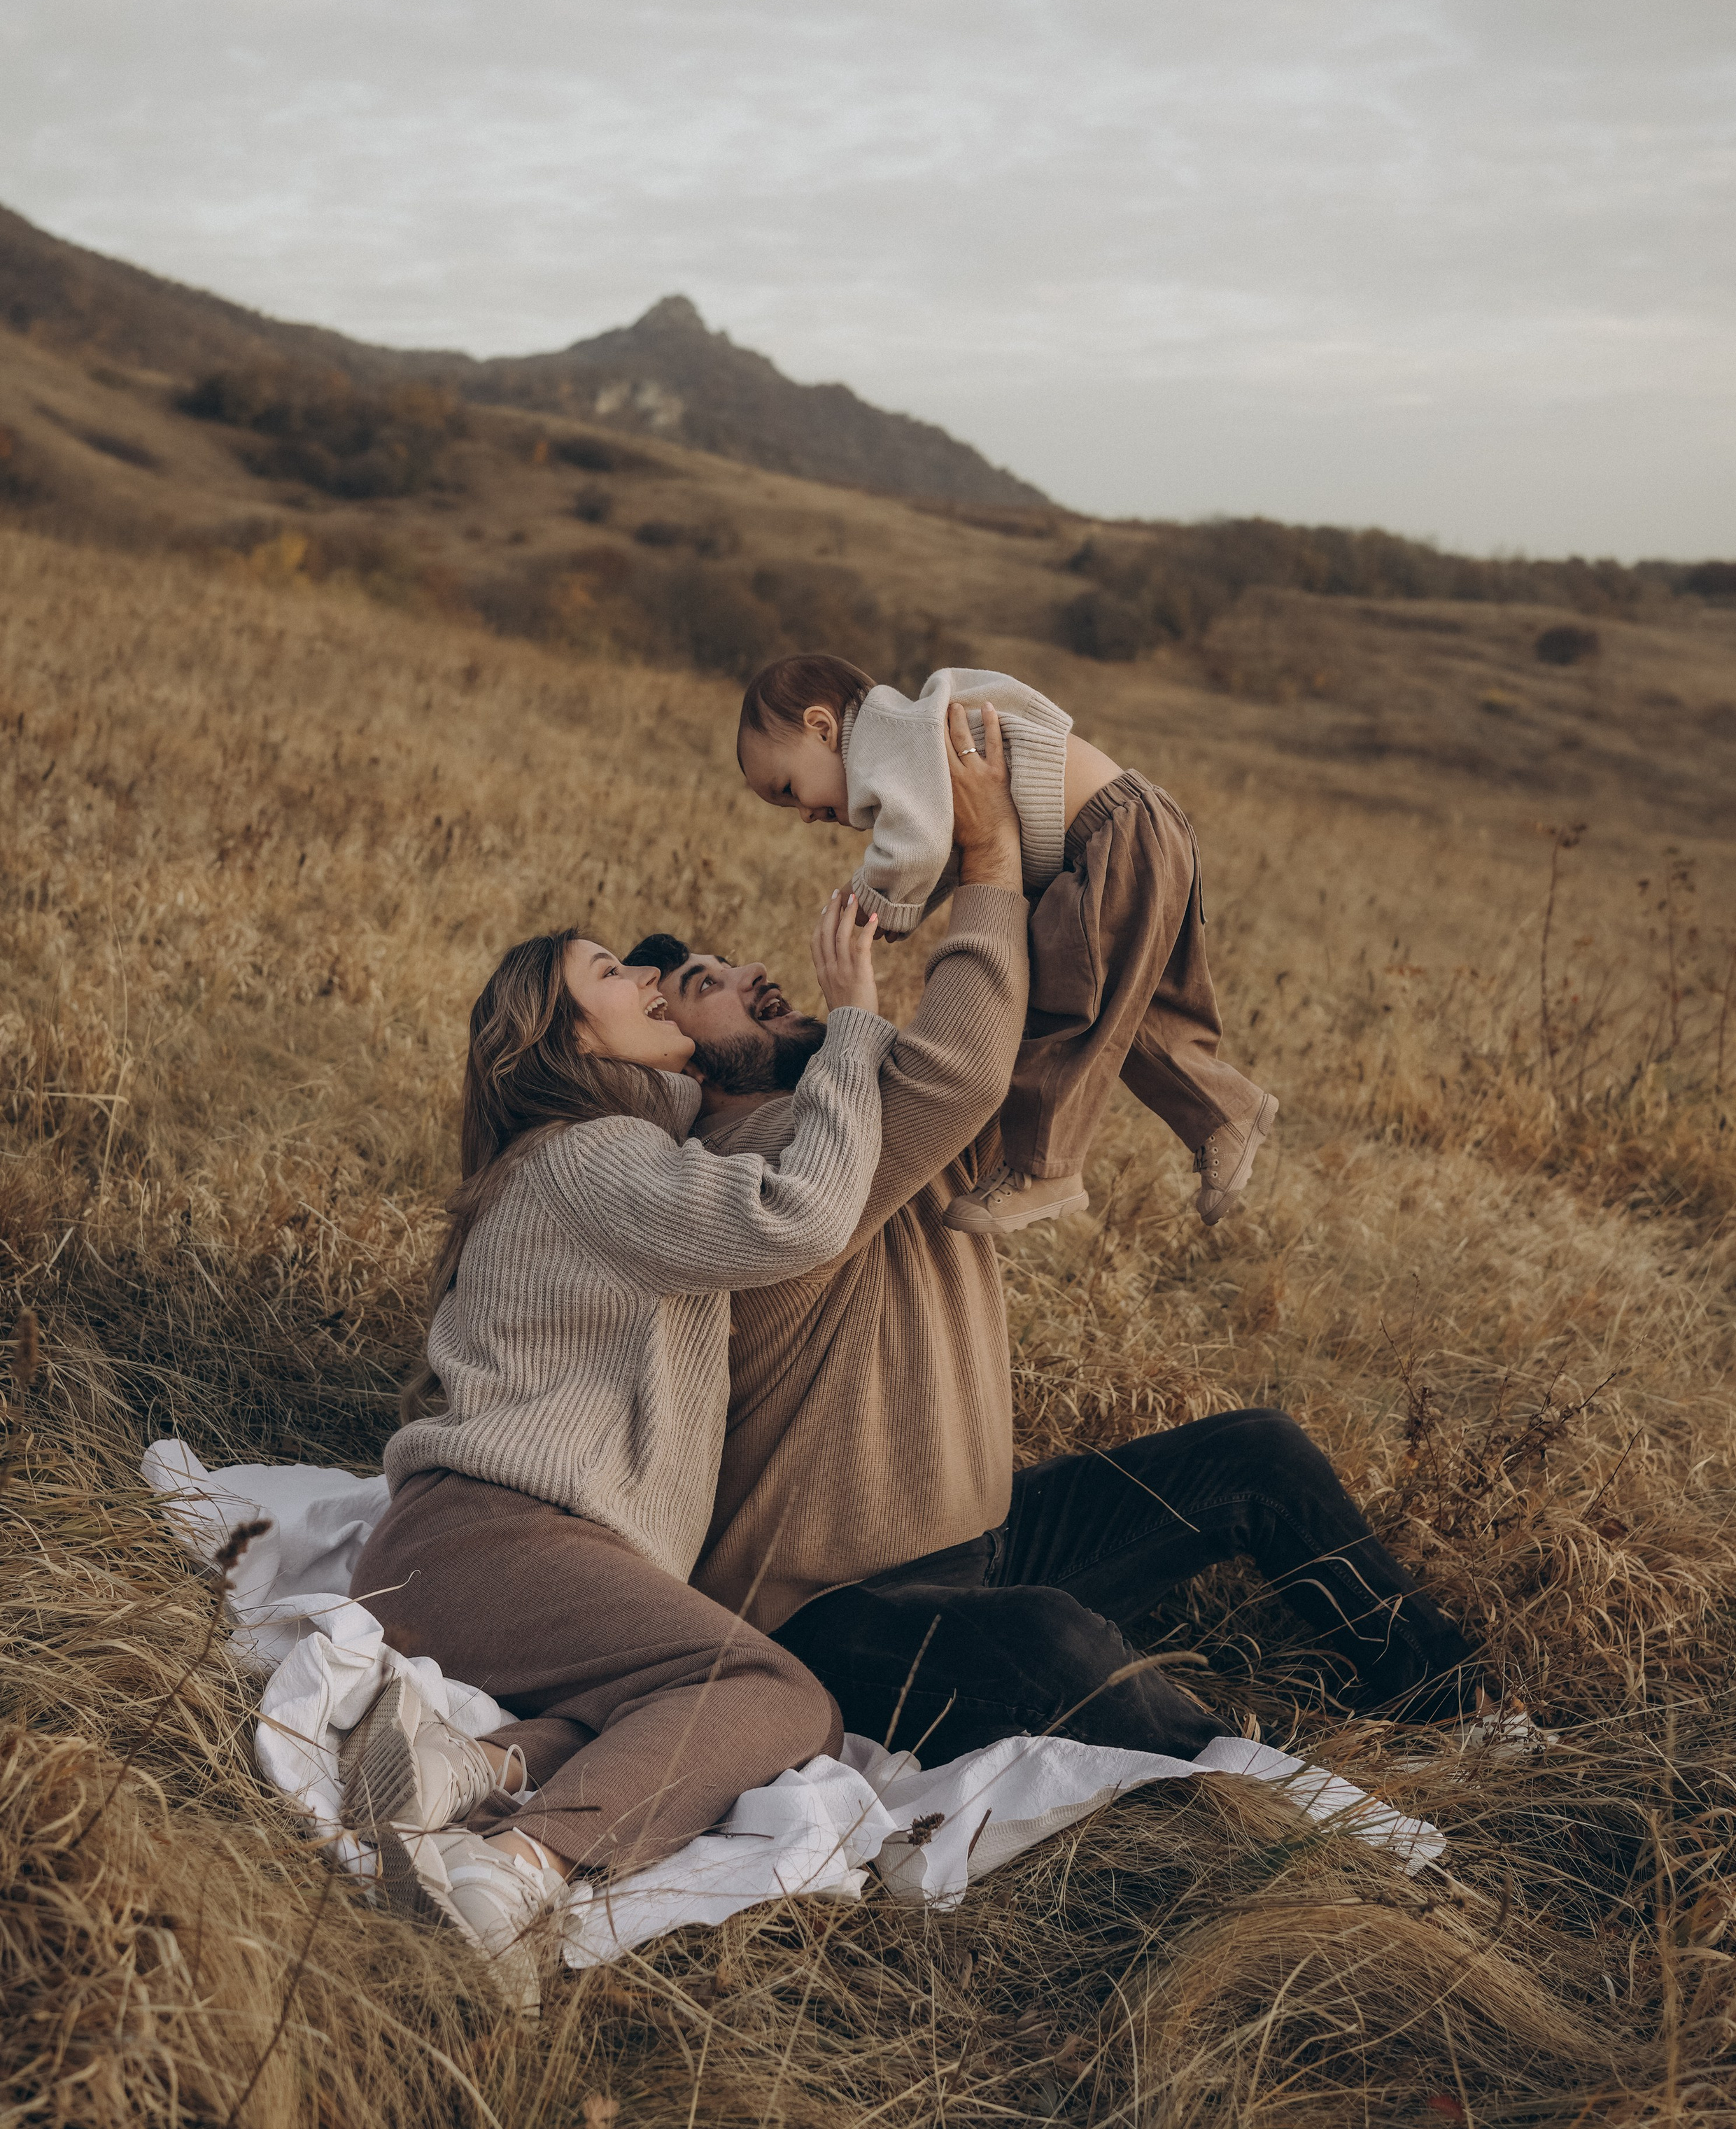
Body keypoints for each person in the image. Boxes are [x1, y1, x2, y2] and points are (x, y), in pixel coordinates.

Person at [628, 703, 1495, 1779]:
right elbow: (963, 1072)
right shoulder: (750, 1162)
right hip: (829, 1617)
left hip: (981, 1542)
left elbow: (1011, 1028)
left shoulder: (851, 1096)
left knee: (1257, 1455)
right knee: (1050, 1639)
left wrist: (1083, 845)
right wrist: (985, 851)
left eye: (728, 961)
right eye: (704, 987)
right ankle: (1268, 1808)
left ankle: (1465, 1712)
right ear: (675, 1060)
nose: (750, 972)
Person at [340, 891, 895, 2006]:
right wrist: (854, 1024)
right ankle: (513, 1868)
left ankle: (470, 1766)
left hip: (476, 1557)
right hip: (492, 1538)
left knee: (702, 1699)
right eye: (613, 975)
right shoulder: (596, 1153)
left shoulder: (592, 1156)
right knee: (775, 1695)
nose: (650, 980)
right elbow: (801, 1214)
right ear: (566, 1038)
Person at [733, 654, 1278, 1237]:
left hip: (1109, 840)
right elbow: (949, 840)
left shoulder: (884, 738)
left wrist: (870, 899)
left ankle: (1045, 1168)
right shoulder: (909, 742)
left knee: (1058, 1001)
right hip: (1135, 830)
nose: (806, 815)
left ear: (822, 727)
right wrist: (907, 911)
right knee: (1135, 1010)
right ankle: (1225, 1114)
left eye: (789, 789)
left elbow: (916, 846)